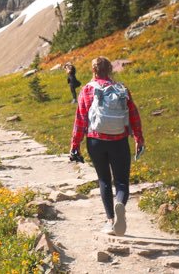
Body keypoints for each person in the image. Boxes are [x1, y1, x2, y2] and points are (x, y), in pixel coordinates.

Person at [68, 56, 145, 236]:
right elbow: (133, 115)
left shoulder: (87, 90)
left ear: (93, 71)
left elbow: (80, 120)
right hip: (119, 140)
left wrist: (75, 144)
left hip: (95, 141)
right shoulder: (121, 89)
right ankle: (120, 203)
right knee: (121, 182)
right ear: (110, 70)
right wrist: (138, 138)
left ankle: (110, 221)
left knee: (104, 180)